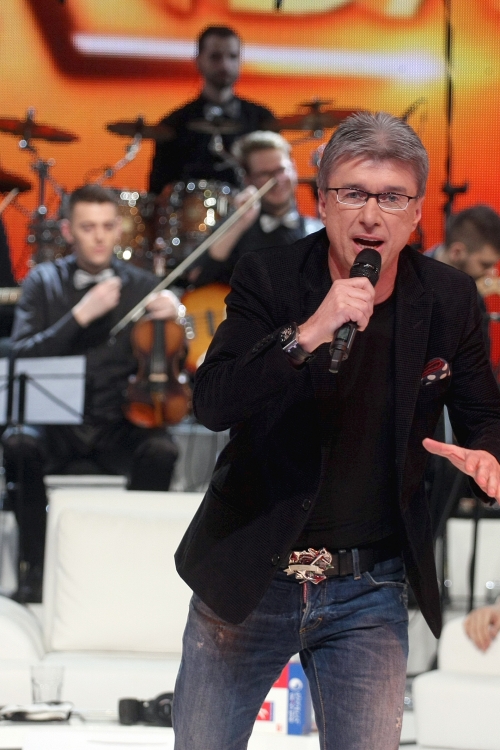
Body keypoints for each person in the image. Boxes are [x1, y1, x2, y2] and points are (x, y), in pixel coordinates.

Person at [173, 112, 500, 750]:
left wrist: (488, 455)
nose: (371, 215)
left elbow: (485, 414)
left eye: (392, 197)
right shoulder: (269, 277)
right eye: (353, 193)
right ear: (322, 201)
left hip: (367, 587)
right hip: (253, 573)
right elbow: (213, 402)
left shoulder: (451, 298)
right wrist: (307, 333)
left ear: (417, 212)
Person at [2, 184, 181, 603]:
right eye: (87, 227)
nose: (99, 237)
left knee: (161, 449)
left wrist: (177, 317)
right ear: (68, 231)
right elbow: (20, 354)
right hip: (56, 426)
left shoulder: (143, 285)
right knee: (18, 443)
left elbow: (172, 358)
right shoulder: (42, 282)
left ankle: (133, 565)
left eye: (106, 226)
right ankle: (34, 572)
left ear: (118, 228)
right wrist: (79, 316)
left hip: (117, 422)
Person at [148, 26, 274, 194]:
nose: (225, 65)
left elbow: (275, 180)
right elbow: (158, 190)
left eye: (232, 56)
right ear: (198, 61)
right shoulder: (174, 124)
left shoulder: (262, 119)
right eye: (215, 57)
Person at [188, 130, 323, 287]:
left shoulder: (317, 230)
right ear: (248, 180)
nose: (276, 180)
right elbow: (196, 276)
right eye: (264, 174)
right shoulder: (237, 227)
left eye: (281, 170)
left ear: (294, 168)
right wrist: (239, 225)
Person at [425, 204, 500, 355]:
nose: (491, 272)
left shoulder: (474, 297)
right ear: (456, 252)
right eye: (485, 264)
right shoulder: (406, 284)